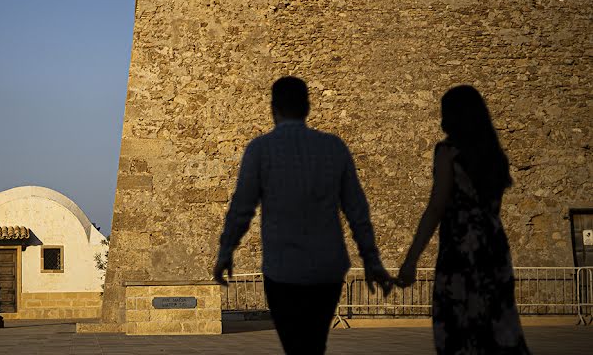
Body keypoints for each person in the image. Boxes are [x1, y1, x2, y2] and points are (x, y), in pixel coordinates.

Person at [213, 76, 392, 355]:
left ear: (274, 109)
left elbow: (242, 209)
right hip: (327, 270)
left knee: (295, 346)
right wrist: (371, 259)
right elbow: (356, 210)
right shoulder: (334, 148)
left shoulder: (261, 150)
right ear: (307, 107)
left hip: (283, 270)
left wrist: (226, 252)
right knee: (315, 344)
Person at [397, 85, 530, 354]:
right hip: (493, 249)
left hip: (461, 248)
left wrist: (411, 259)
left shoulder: (448, 152)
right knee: (498, 328)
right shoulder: (494, 157)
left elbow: (437, 207)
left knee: (458, 330)